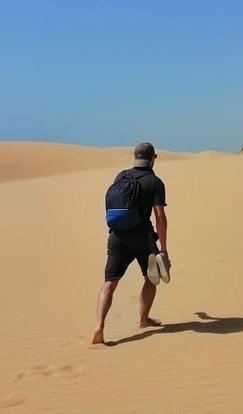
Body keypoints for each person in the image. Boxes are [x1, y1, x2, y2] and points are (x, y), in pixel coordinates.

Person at [92, 142, 169, 344]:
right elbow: (160, 216)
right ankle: (144, 320)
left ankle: (99, 325)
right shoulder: (155, 182)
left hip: (117, 237)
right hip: (143, 237)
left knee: (110, 282)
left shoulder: (121, 177)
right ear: (153, 158)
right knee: (150, 278)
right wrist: (164, 248)